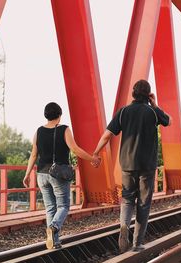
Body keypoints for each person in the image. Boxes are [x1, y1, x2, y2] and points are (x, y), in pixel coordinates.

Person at [93, 79, 171, 252]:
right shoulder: (152, 112)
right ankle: (137, 243)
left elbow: (107, 135)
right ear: (148, 96)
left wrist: (96, 152)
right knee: (143, 203)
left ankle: (124, 226)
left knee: (127, 199)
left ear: (133, 94)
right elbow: (168, 121)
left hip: (127, 164)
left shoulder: (123, 112)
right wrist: (155, 104)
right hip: (147, 166)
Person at [23, 102, 101, 249]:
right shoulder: (64, 129)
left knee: (50, 208)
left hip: (41, 175)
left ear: (46, 115)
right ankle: (53, 227)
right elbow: (75, 149)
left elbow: (33, 155)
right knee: (64, 206)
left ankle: (54, 242)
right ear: (59, 115)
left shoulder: (38, 131)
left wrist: (27, 174)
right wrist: (93, 159)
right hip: (57, 174)